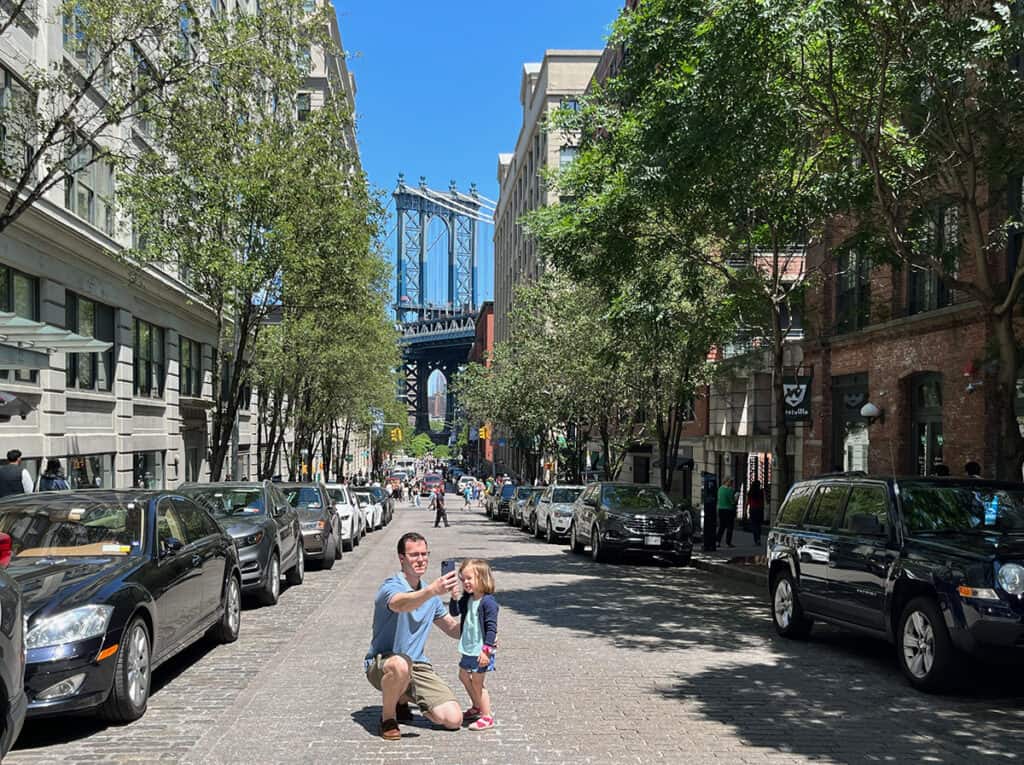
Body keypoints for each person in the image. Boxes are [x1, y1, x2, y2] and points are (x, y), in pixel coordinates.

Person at [364, 532, 463, 741]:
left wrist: (474, 622)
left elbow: (453, 630)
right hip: (383, 663)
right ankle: (388, 718)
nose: (421, 560)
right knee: (400, 664)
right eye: (414, 555)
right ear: (402, 558)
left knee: (454, 719)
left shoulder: (430, 594)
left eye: (424, 554)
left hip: (418, 666)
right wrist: (432, 591)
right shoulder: (391, 586)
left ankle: (403, 697)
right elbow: (401, 604)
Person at [450, 559, 499, 731]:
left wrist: (487, 650)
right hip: (468, 648)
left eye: (469, 578)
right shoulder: (467, 599)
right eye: (463, 579)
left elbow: (492, 628)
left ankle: (487, 716)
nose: (466, 583)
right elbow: (455, 612)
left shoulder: (488, 602)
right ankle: (477, 705)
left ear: (482, 578)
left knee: (478, 683)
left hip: (482, 651)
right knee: (463, 675)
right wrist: (454, 597)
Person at [716, 477, 737, 548]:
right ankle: (728, 543)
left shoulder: (720, 489)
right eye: (731, 482)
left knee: (721, 526)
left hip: (721, 510)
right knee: (729, 527)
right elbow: (732, 501)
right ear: (727, 482)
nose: (732, 484)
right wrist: (736, 497)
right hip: (729, 510)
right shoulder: (730, 490)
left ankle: (718, 541)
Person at [745, 479, 765, 546]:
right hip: (759, 509)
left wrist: (745, 510)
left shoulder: (750, 492)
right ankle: (758, 539)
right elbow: (763, 501)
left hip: (753, 509)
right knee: (759, 525)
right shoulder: (761, 492)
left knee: (754, 525)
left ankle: (756, 539)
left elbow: (747, 502)